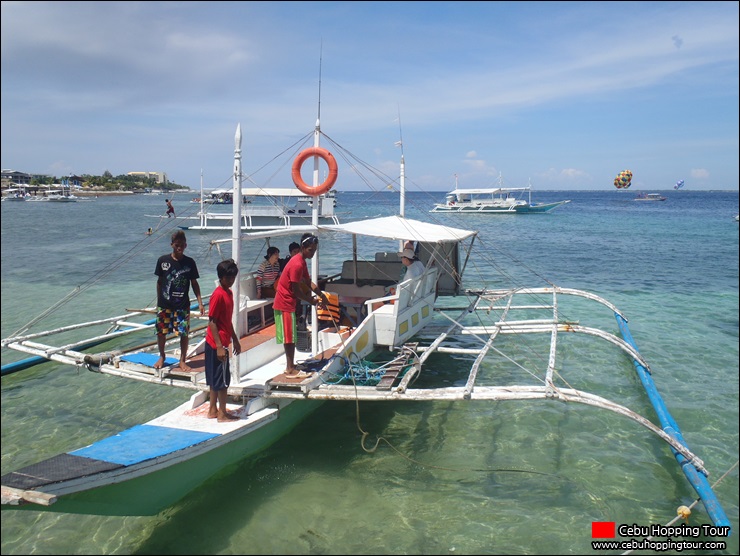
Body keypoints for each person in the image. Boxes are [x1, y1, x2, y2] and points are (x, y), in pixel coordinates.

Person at [273, 232, 327, 378]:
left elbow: (308, 282)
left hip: (290, 303)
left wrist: (322, 295)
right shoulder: (297, 263)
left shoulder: (301, 261)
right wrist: (311, 301)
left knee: (291, 335)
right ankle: (290, 368)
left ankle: (291, 365)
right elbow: (296, 290)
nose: (313, 253)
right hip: (284, 303)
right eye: (311, 250)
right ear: (303, 247)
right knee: (289, 337)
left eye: (315, 250)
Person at [154, 230, 204, 371]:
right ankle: (162, 356)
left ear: (186, 245)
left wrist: (200, 303)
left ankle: (182, 360)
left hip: (182, 305)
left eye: (182, 245)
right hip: (164, 305)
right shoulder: (163, 261)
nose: (179, 247)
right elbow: (159, 282)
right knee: (161, 332)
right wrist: (158, 302)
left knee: (183, 333)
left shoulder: (189, 262)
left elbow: (194, 283)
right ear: (172, 245)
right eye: (177, 245)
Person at [205, 259, 242, 422]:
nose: (231, 281)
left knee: (215, 379)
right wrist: (220, 346)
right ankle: (222, 414)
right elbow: (212, 321)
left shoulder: (229, 293)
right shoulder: (218, 294)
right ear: (221, 278)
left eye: (233, 277)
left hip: (223, 340)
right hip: (216, 343)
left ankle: (213, 410)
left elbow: (227, 320)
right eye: (228, 278)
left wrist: (235, 339)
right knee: (222, 381)